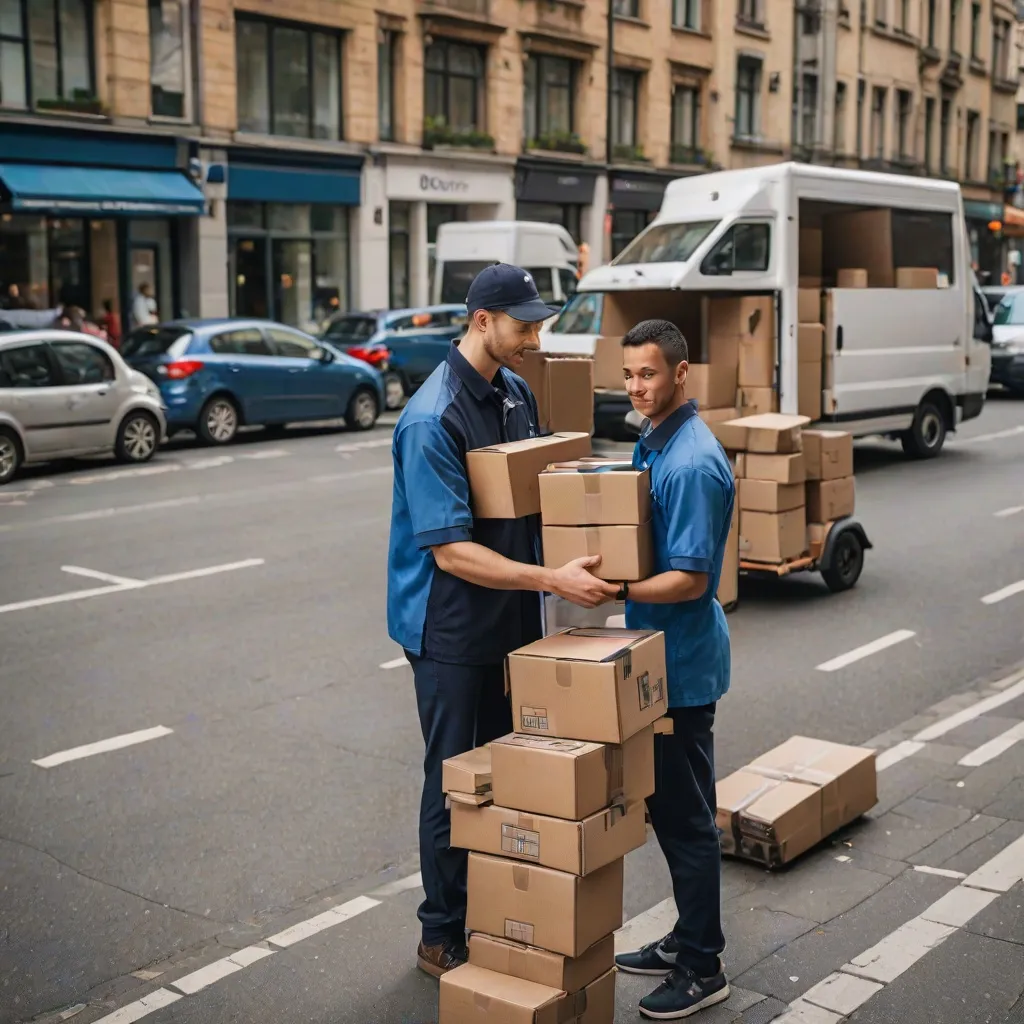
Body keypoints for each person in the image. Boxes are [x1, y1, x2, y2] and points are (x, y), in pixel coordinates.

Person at [386, 264, 619, 979]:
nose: (534, 335)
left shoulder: (514, 390)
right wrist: (553, 580)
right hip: (450, 627)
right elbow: (453, 554)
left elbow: (537, 490)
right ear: (481, 320)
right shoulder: (432, 419)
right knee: (457, 776)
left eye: (537, 322)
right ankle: (439, 931)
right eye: (523, 324)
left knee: (508, 772)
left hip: (511, 615)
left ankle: (492, 909)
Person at [612, 319, 735, 1020]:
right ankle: (687, 936)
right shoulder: (656, 439)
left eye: (649, 374)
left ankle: (702, 966)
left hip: (678, 669)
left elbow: (691, 579)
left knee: (683, 818)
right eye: (629, 374)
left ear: (681, 374)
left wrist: (616, 591)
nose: (636, 386)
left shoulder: (689, 461)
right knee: (672, 810)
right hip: (662, 660)